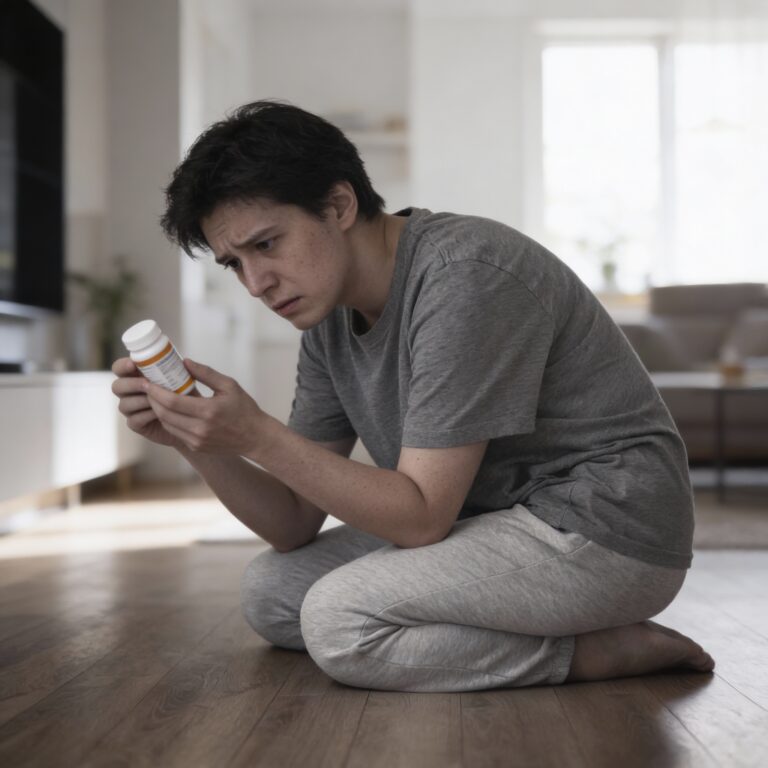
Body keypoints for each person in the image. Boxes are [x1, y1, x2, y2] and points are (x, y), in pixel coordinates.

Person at [112, 100, 714, 692]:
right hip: (488, 517)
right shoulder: (325, 316)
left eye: (266, 244)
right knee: (273, 595)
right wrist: (197, 439)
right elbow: (293, 522)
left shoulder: (465, 276)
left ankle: (594, 651)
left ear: (339, 204)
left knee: (338, 620)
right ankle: (541, 634)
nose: (256, 283)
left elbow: (422, 517)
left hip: (606, 529)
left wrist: (257, 433)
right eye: (234, 264)